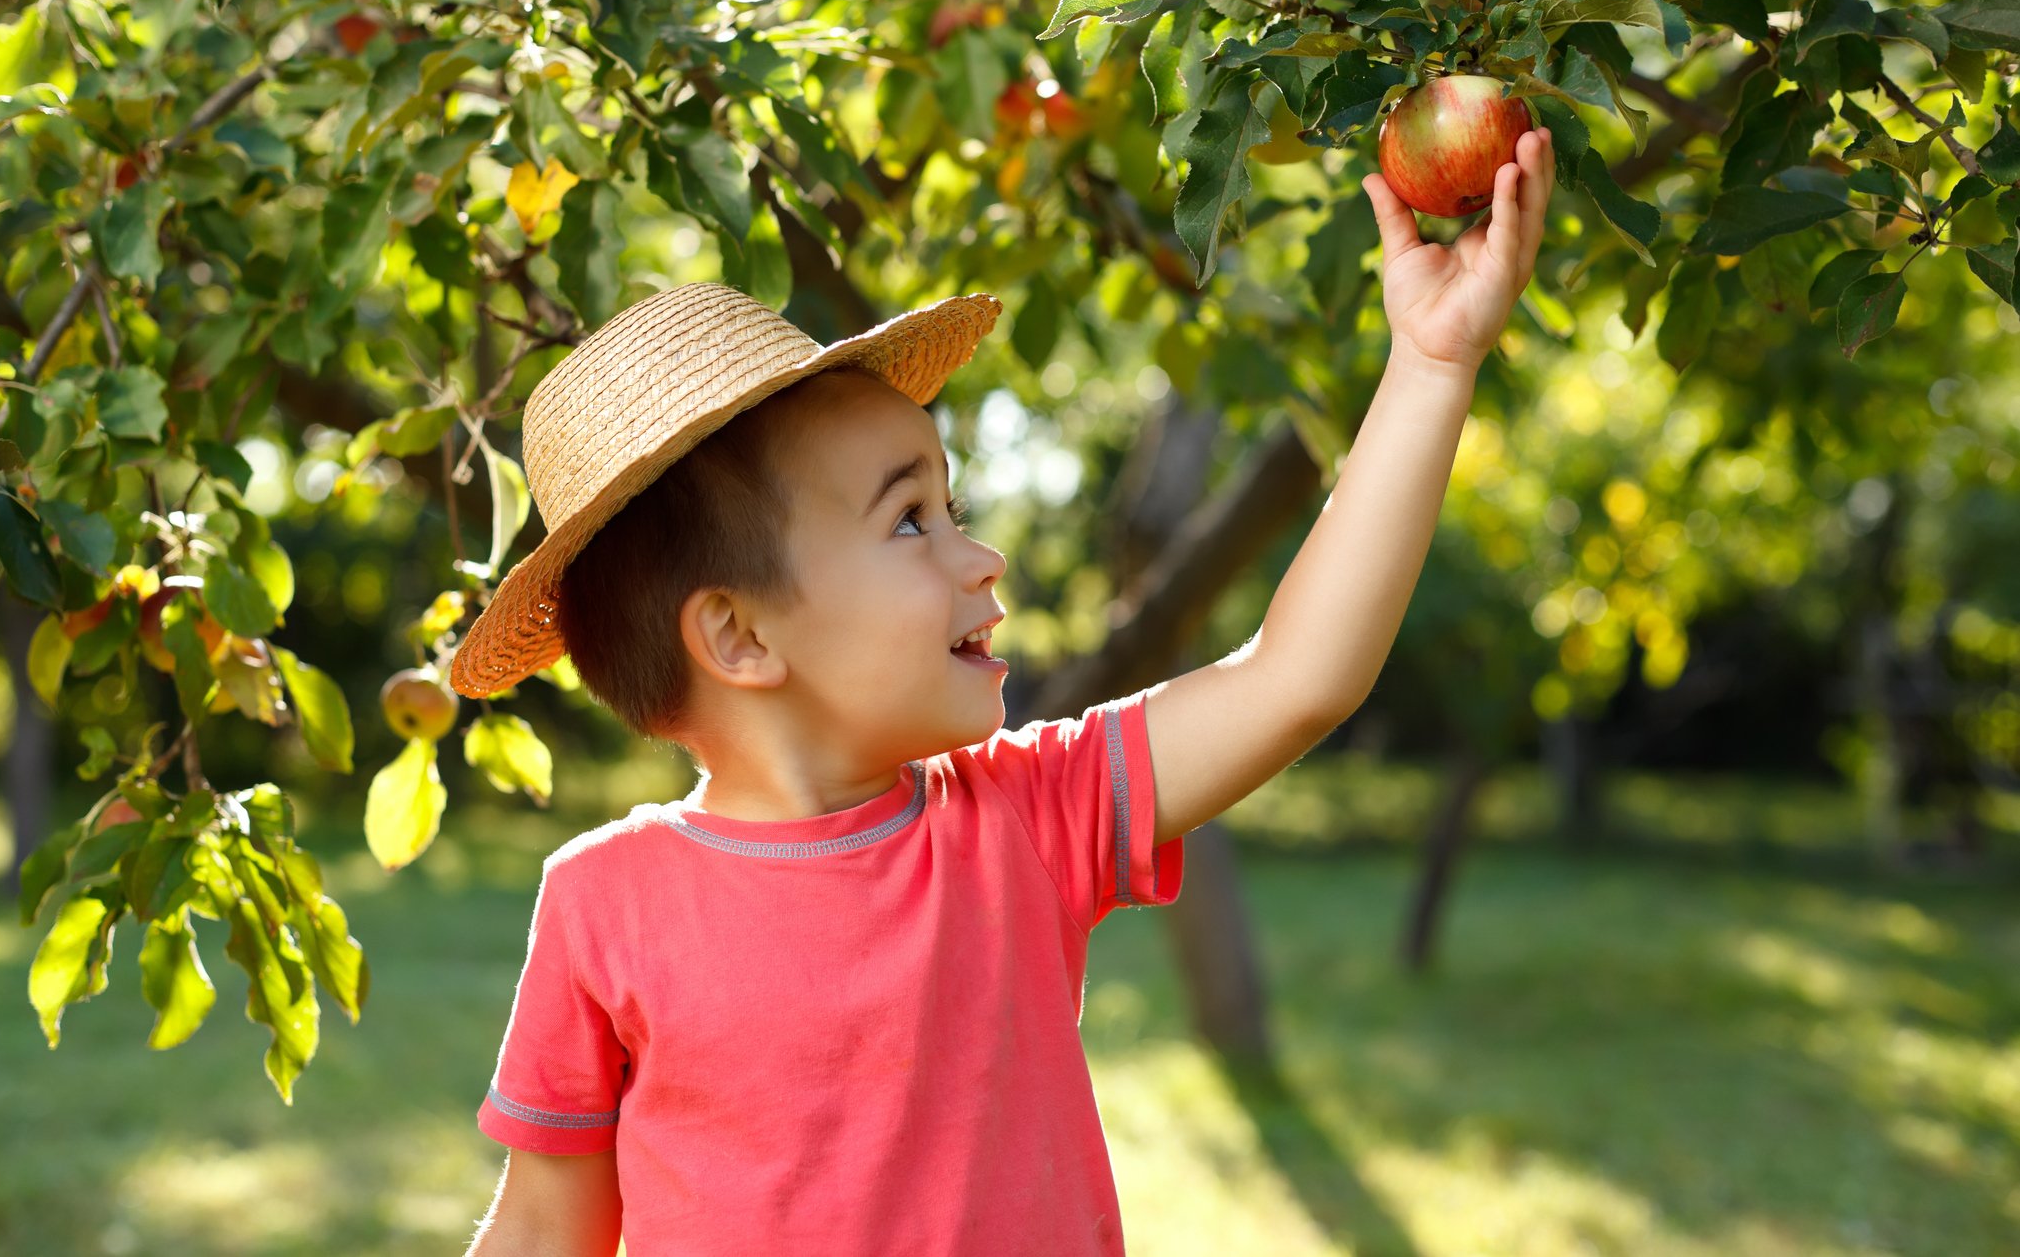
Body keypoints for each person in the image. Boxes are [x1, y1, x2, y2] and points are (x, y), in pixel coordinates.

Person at [458, 128, 1556, 1254]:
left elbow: (1296, 678)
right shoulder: (604, 906)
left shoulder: (1025, 819)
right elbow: (547, 1229)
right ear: (739, 635)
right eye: (909, 521)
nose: (982, 558)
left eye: (953, 505)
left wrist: (1430, 365)